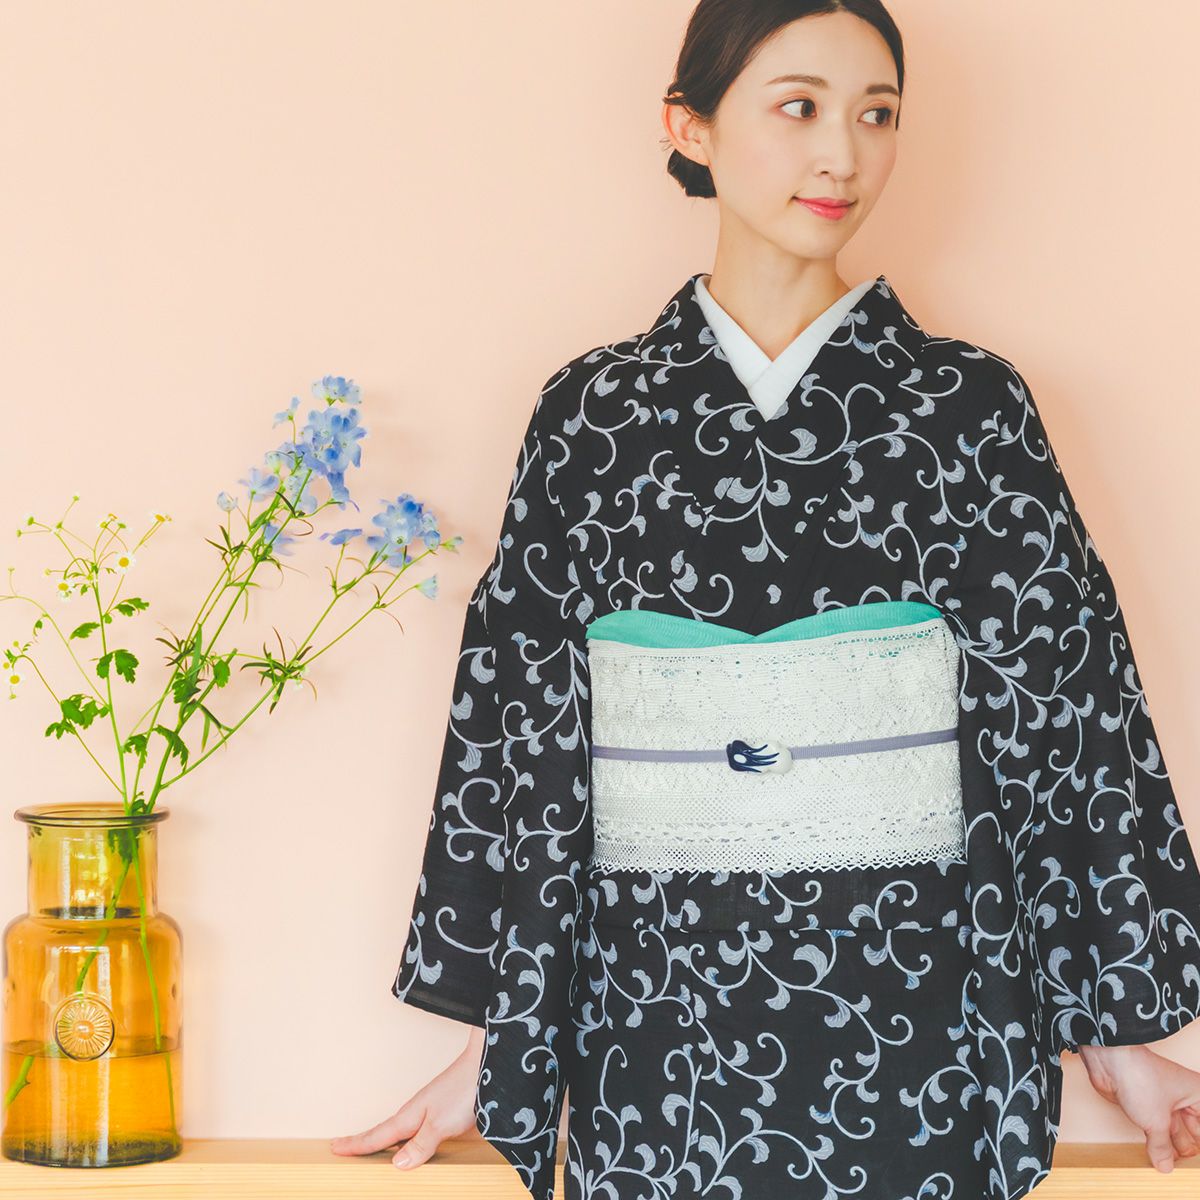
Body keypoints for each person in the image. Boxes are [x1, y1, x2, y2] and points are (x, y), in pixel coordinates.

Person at [331, 2, 1200, 1197]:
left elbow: (1067, 713)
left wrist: (1117, 1034)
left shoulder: (970, 409)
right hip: (658, 1011)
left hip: (917, 999)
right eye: (799, 107)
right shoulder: (593, 416)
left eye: (877, 115)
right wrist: (505, 1043)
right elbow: (521, 726)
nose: (843, 152)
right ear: (689, 126)